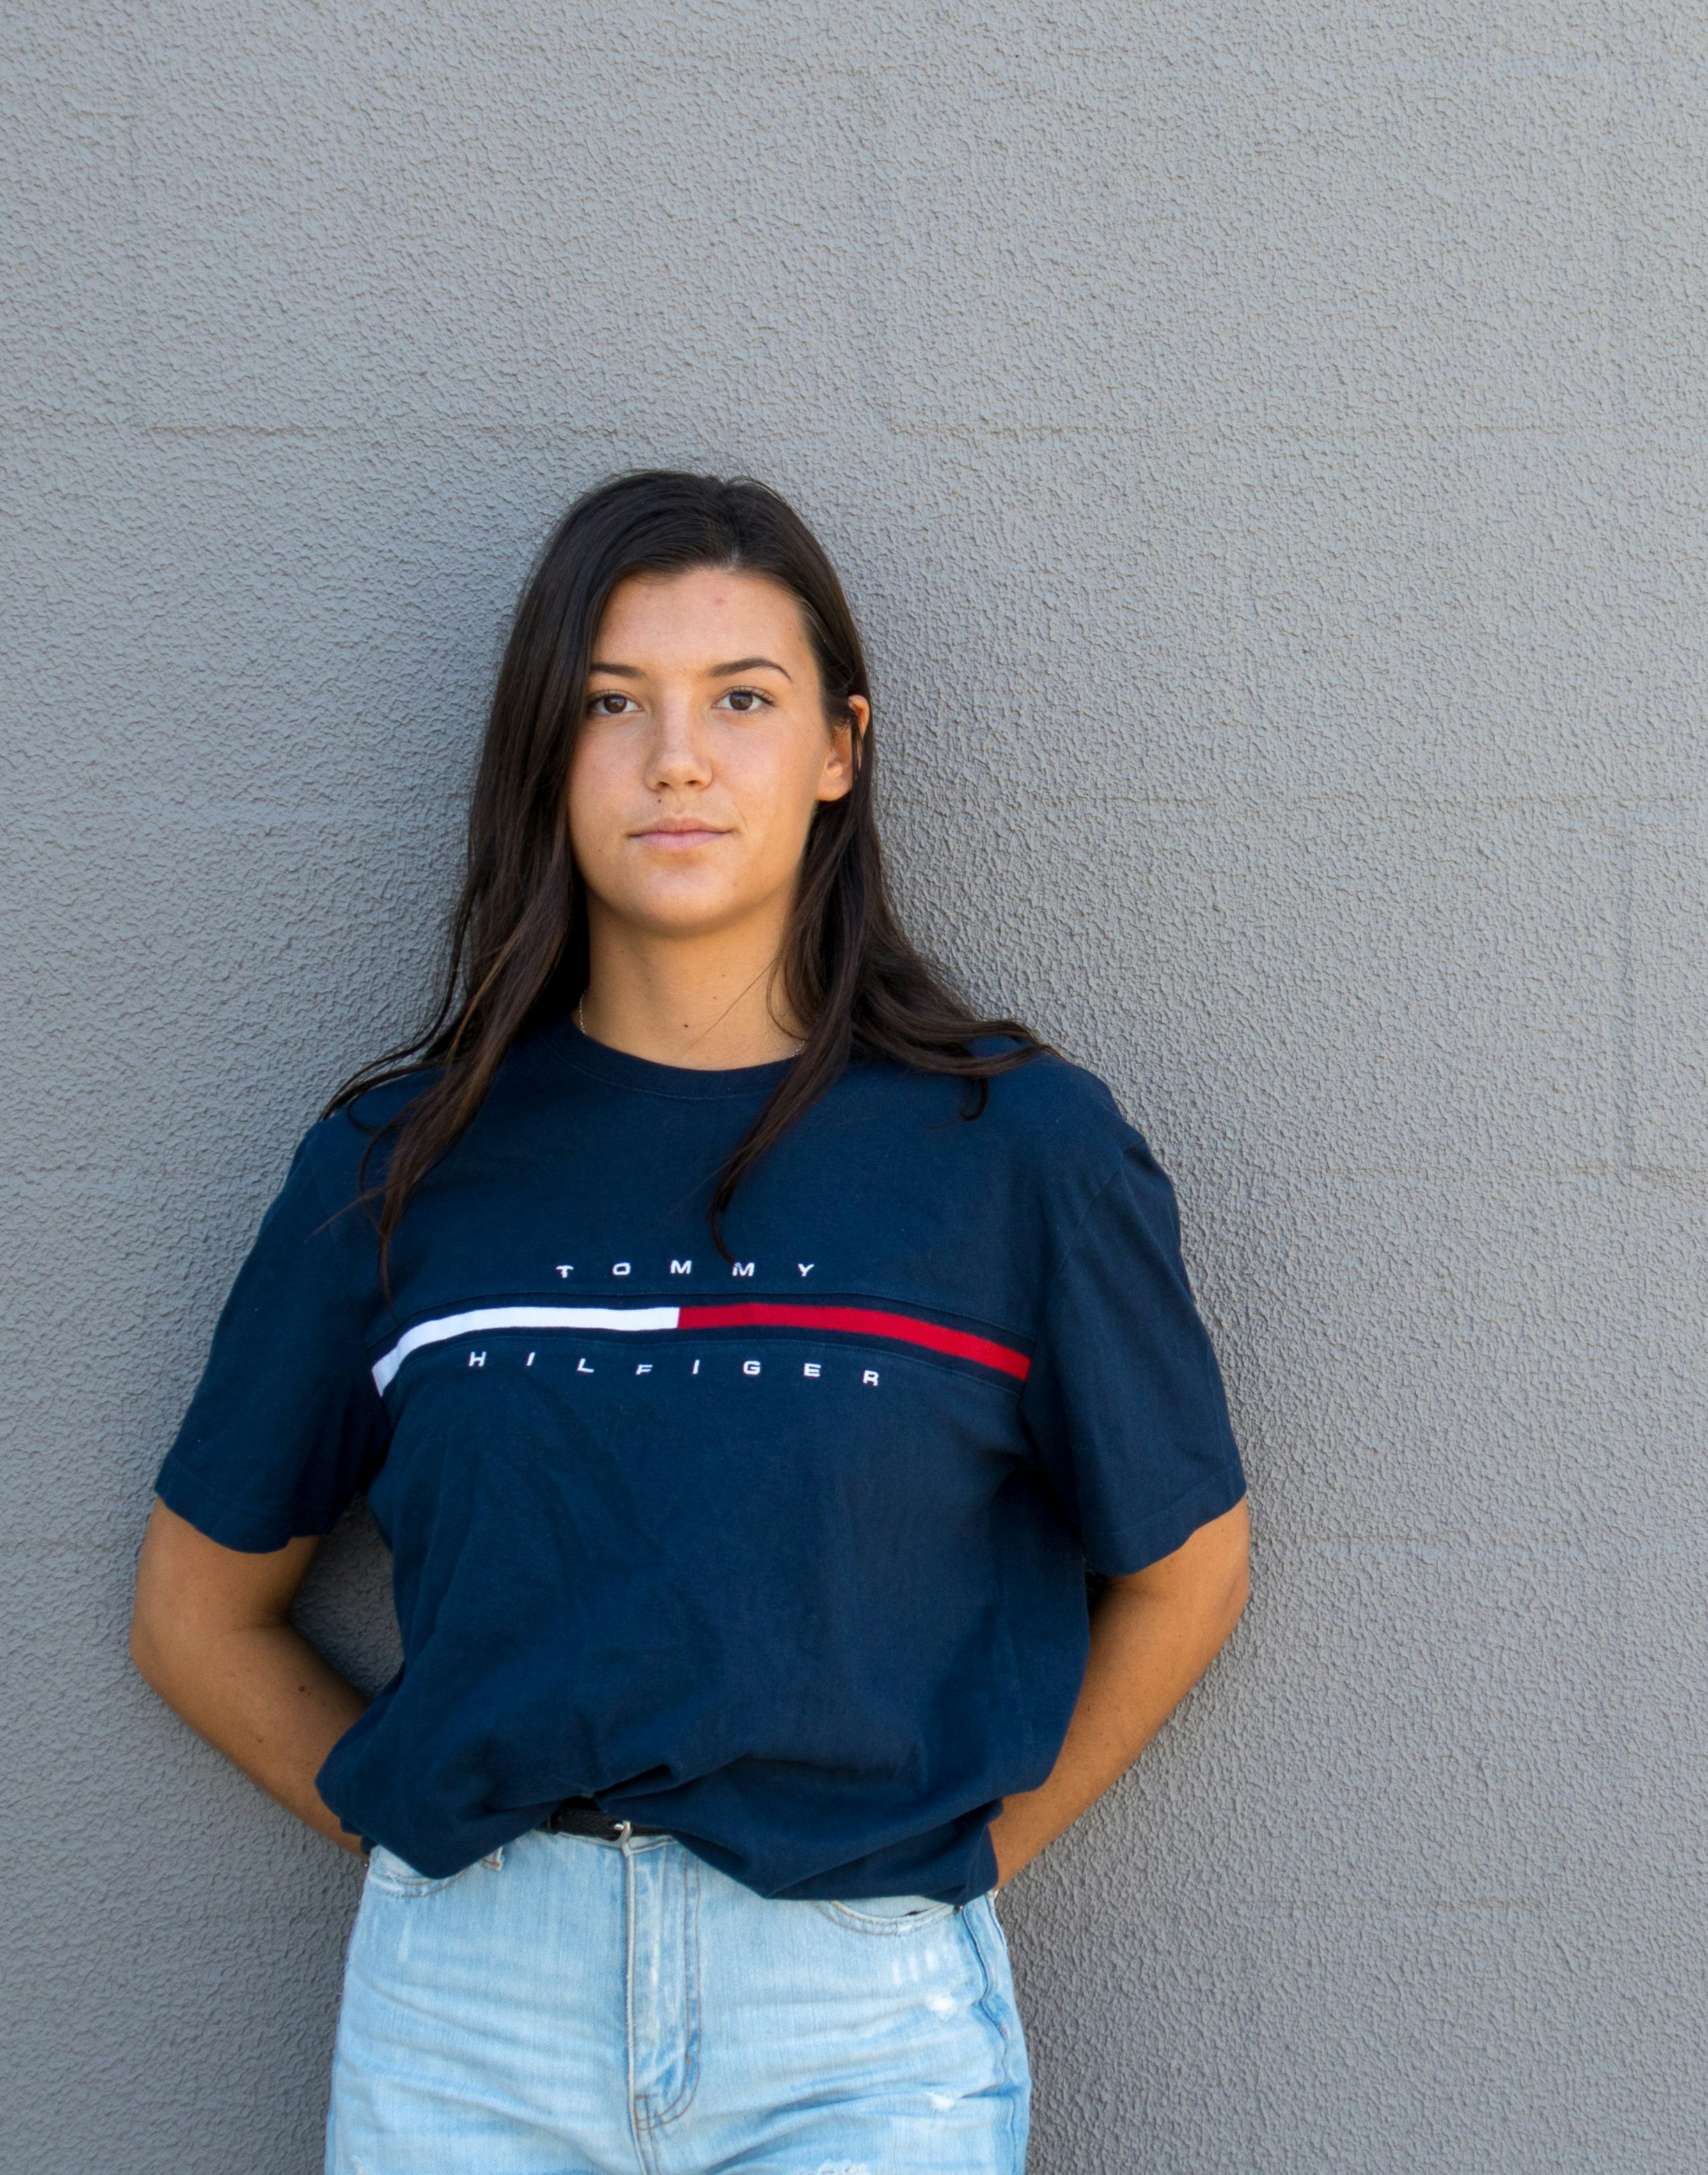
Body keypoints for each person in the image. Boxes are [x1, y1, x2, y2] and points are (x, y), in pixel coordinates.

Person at [127, 470, 1253, 2175]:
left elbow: (1187, 1567)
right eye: (610, 702)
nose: (676, 756)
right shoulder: (398, 1162)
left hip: (859, 2031)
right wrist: (433, 1844)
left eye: (741, 698)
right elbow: (195, 1612)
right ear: (544, 753)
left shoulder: (1017, 1152)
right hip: (466, 2026)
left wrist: (937, 1864)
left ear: (836, 749)